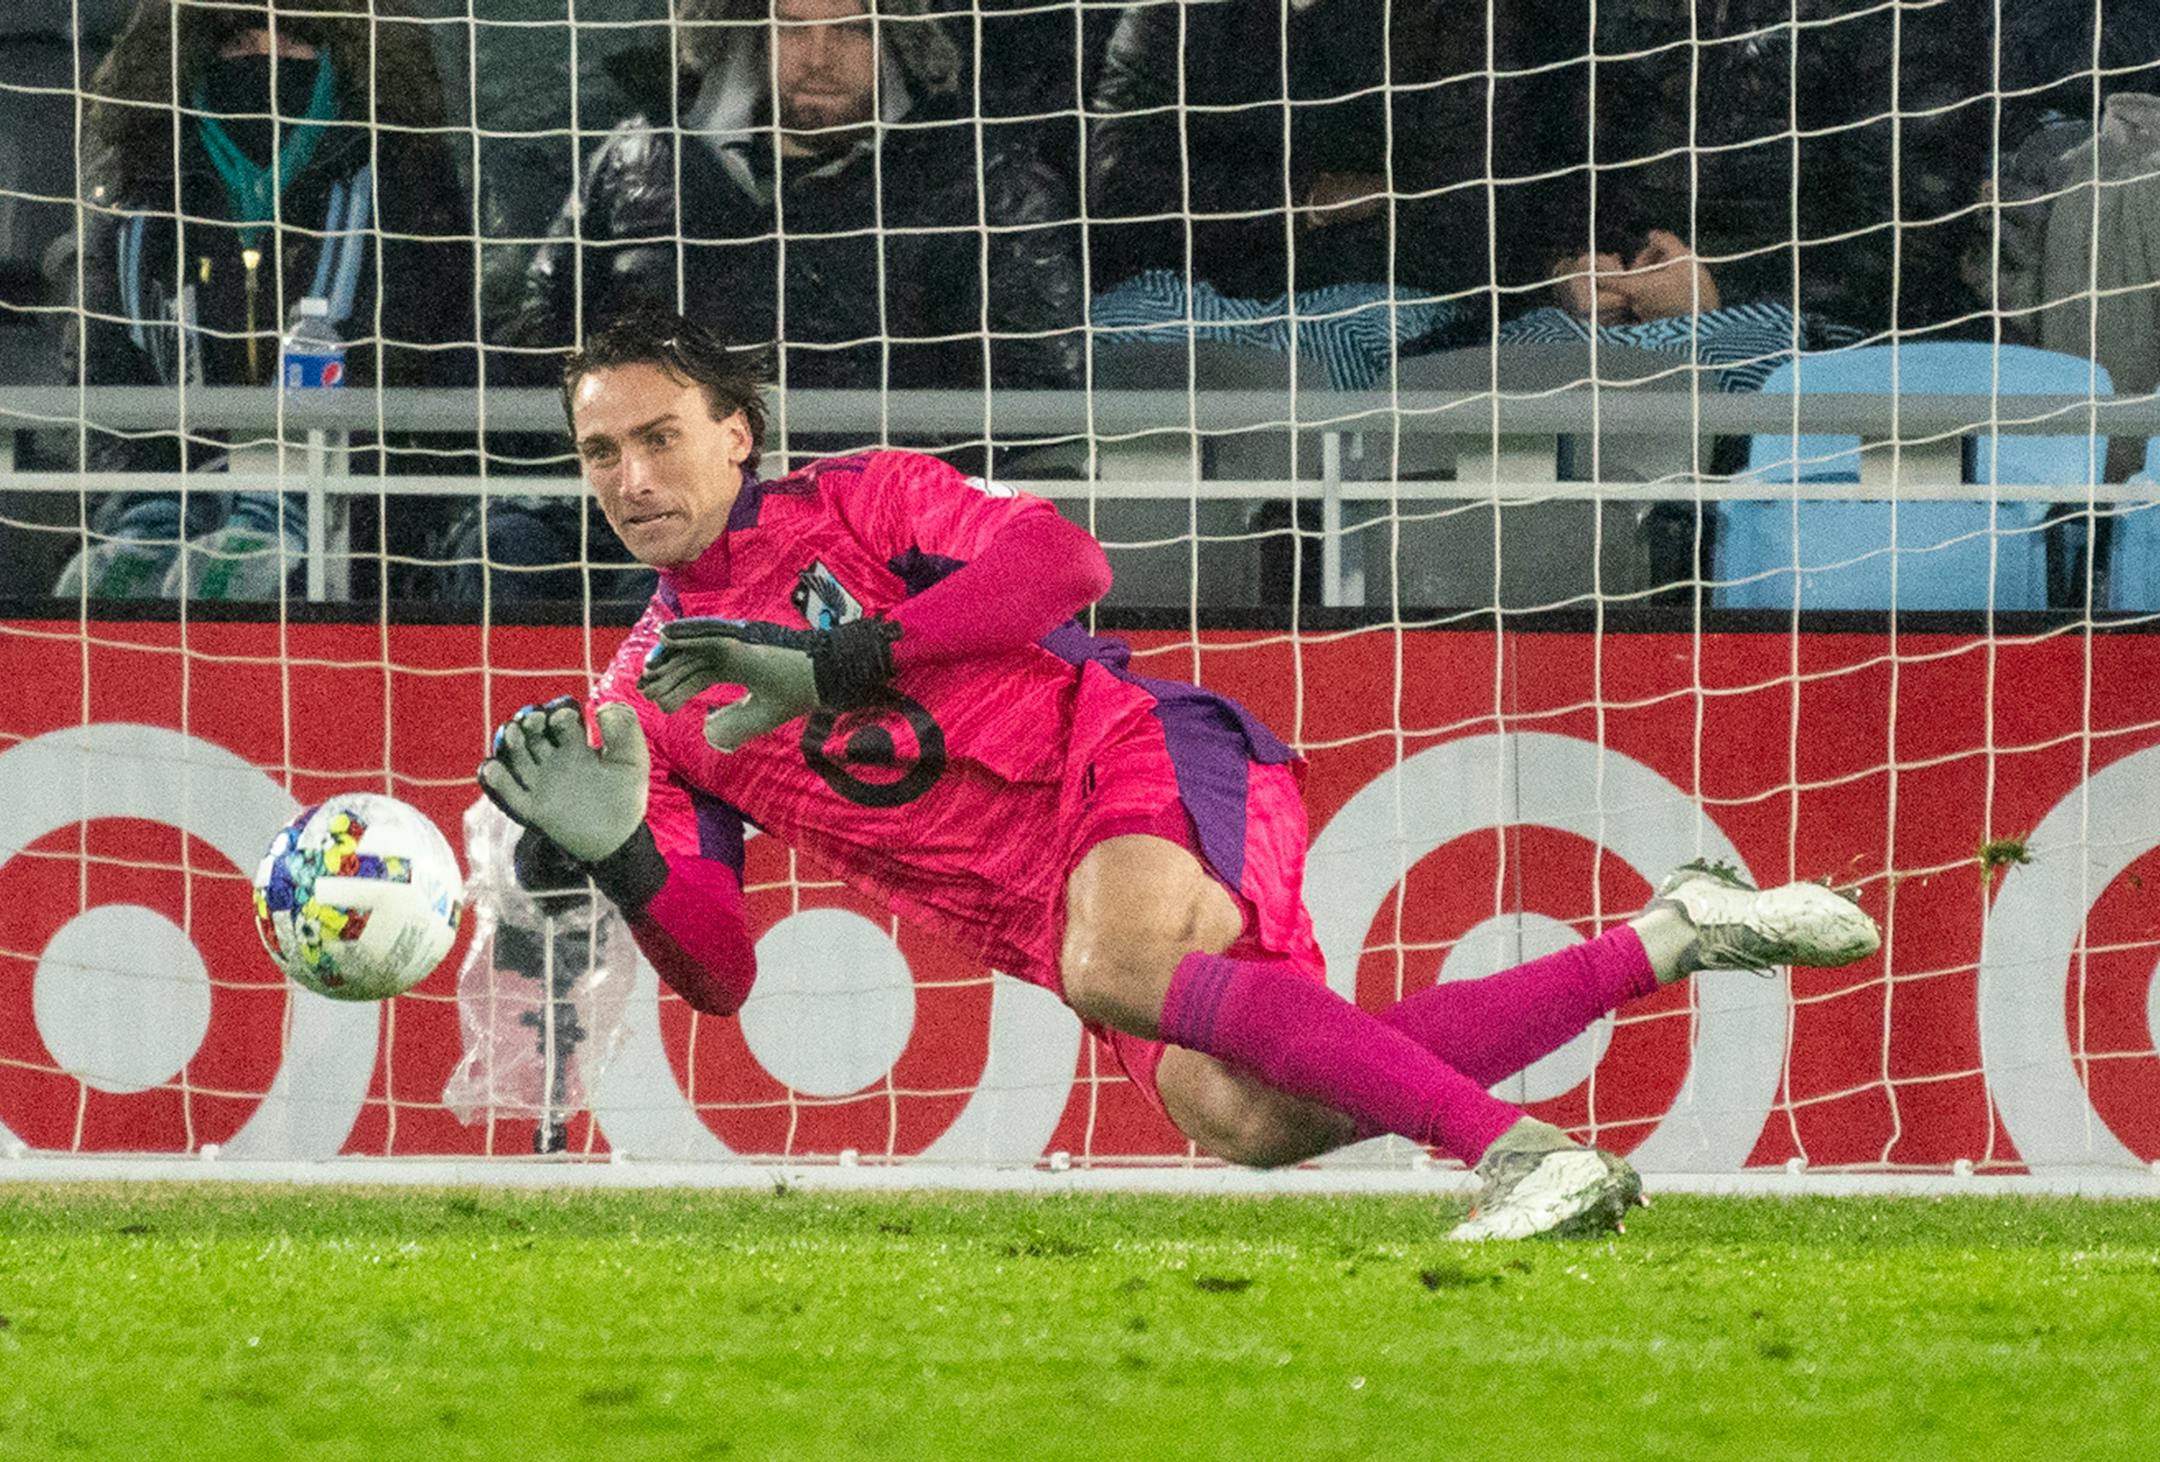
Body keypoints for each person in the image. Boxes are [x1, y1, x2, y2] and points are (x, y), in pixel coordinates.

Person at [476, 308, 1883, 1240]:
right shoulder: (644, 709)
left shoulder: (869, 499)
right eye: (601, 450)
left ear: (737, 430)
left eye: (659, 434)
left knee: (1117, 961)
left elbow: (1065, 567)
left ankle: (1526, 1158)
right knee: (1256, 1120)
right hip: (1047, 915)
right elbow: (722, 976)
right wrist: (628, 857)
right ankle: (1673, 931)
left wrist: (837, 667)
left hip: (1135, 756)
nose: (631, 473)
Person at [457, 0, 1084, 605]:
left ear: (897, 39)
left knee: (674, 590)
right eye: (792, 29)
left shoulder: (979, 178)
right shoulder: (640, 156)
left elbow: (1035, 389)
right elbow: (536, 328)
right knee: (501, 547)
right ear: (751, 32)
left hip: (852, 521)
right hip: (645, 492)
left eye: (850, 31)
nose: (818, 57)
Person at [61, 0, 474, 600]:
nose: (265, 56)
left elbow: (426, 375)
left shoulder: (402, 183)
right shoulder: (135, 192)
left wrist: (297, 502)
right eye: (238, 40)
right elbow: (100, 382)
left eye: (294, 37)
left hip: (356, 538)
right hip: (162, 509)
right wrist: (150, 503)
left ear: (347, 48)